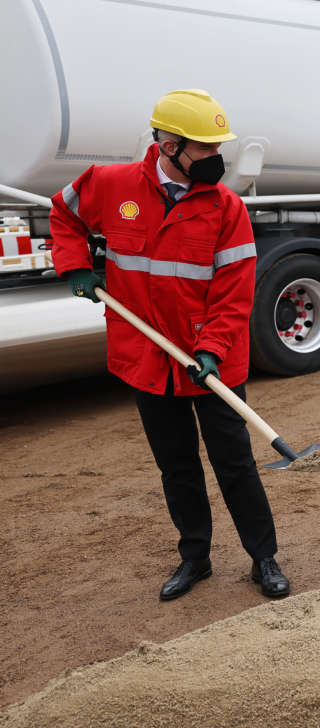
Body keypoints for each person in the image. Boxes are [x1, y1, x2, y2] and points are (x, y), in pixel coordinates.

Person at [50, 89, 290, 600]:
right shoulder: (112, 185)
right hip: (147, 359)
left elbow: (234, 294)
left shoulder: (226, 209)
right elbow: (64, 213)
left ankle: (262, 557)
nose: (216, 158)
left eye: (216, 147)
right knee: (176, 465)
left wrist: (211, 350)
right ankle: (195, 559)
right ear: (167, 143)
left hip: (212, 362)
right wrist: (74, 265)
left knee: (235, 462)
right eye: (204, 148)